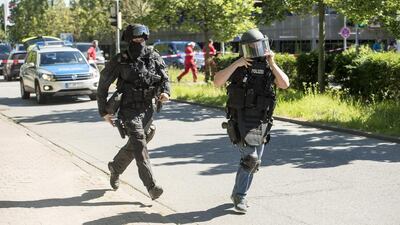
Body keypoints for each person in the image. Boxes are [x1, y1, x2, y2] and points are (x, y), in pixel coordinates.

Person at [214, 28, 289, 213]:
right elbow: (217, 81)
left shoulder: (267, 66)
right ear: (244, 49)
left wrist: (272, 62)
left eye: (259, 46)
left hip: (261, 121)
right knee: (250, 159)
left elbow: (285, 84)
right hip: (240, 120)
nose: (256, 51)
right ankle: (240, 196)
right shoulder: (239, 67)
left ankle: (237, 193)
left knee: (254, 163)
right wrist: (237, 64)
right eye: (251, 48)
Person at [96, 24, 170, 200]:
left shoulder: (153, 56)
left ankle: (115, 167)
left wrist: (165, 92)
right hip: (128, 108)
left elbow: (165, 78)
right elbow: (103, 84)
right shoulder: (120, 59)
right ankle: (151, 186)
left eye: (142, 38)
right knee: (139, 142)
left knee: (144, 138)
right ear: (128, 39)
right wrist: (103, 111)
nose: (139, 41)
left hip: (147, 108)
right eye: (136, 38)